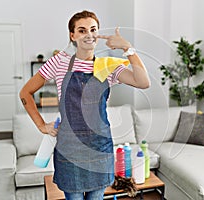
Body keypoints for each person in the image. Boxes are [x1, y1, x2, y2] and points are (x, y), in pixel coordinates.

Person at [19, 10, 150, 200]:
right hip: (69, 149)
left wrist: (128, 49)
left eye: (93, 29)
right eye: (81, 30)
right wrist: (41, 125)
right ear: (72, 36)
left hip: (99, 148)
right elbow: (25, 92)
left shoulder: (108, 65)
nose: (88, 34)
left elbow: (143, 82)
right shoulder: (59, 62)